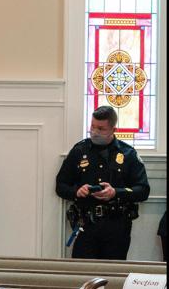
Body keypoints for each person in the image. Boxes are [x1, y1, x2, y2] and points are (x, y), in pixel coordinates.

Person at [55, 105, 151, 260]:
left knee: (112, 276)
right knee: (83, 275)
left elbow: (143, 190)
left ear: (114, 130)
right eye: (92, 126)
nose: (95, 131)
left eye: (101, 128)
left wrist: (115, 192)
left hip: (117, 226)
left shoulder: (128, 154)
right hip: (85, 225)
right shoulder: (80, 151)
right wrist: (76, 192)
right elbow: (61, 185)